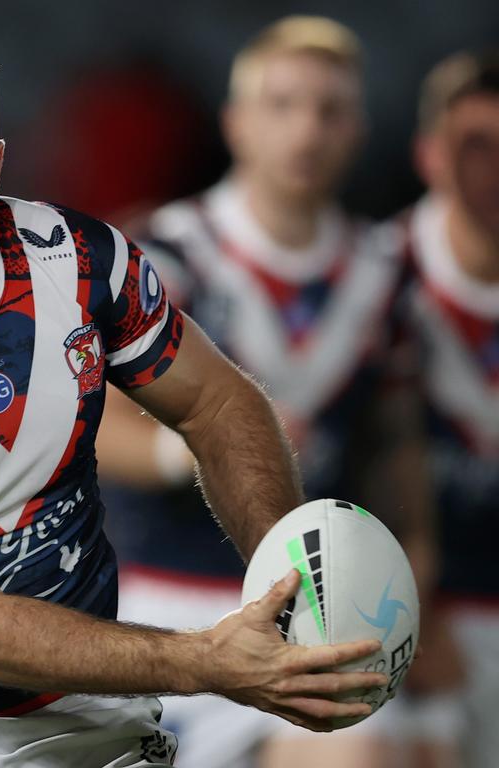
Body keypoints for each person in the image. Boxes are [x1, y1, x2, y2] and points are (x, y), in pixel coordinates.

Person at [0, 27, 389, 767]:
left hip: (85, 725)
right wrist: (210, 660)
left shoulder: (83, 262)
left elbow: (219, 404)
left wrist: (293, 589)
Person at [95, 17, 438, 768]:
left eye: (329, 109)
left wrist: (422, 593)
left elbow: (397, 448)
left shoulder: (385, 274)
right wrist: (194, 450)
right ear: (237, 122)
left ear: (357, 128)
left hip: (322, 607)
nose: (306, 129)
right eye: (282, 104)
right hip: (163, 597)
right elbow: (90, 422)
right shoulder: (160, 253)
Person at [391, 49, 499, 768]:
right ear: (429, 154)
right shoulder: (374, 283)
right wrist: (408, 609)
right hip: (411, 617)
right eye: (476, 147)